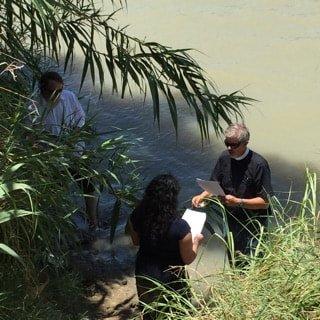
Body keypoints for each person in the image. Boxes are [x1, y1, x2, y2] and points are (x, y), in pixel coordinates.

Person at [192, 123, 273, 264]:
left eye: (234, 145)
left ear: (245, 143)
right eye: (227, 143)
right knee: (234, 256)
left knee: (253, 258)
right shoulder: (224, 158)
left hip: (253, 223)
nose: (229, 148)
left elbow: (265, 203)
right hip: (230, 219)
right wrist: (201, 196)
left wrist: (238, 202)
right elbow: (215, 185)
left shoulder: (259, 165)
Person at [128, 174, 203, 319]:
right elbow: (188, 258)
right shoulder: (180, 226)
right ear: (172, 199)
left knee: (150, 313)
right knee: (176, 313)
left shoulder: (137, 215)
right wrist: (197, 241)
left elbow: (136, 242)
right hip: (171, 279)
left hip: (145, 273)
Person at [31, 71, 98, 229]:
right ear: (42, 89)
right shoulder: (32, 105)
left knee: (89, 185)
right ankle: (60, 226)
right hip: (51, 159)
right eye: (53, 92)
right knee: (56, 193)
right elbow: (30, 137)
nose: (58, 95)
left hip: (74, 152)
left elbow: (80, 118)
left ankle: (93, 222)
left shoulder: (68, 97)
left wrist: (74, 136)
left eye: (60, 91)